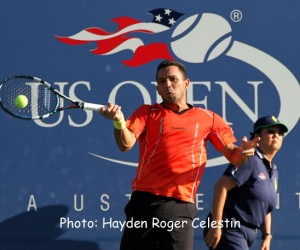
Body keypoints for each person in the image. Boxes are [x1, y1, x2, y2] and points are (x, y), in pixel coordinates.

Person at [100, 60, 260, 250]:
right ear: (157, 88)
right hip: (143, 204)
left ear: (186, 83)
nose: (167, 84)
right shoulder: (147, 112)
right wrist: (119, 121)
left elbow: (233, 156)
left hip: (180, 207)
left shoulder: (209, 118)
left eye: (173, 79)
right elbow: (125, 144)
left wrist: (243, 152)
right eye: (161, 81)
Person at [204, 115, 288, 250]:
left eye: (280, 133)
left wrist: (267, 235)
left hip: (248, 234)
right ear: (257, 136)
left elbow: (265, 206)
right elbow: (221, 187)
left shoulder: (273, 170)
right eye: (270, 131)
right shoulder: (250, 158)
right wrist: (216, 225)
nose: (276, 135)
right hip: (230, 228)